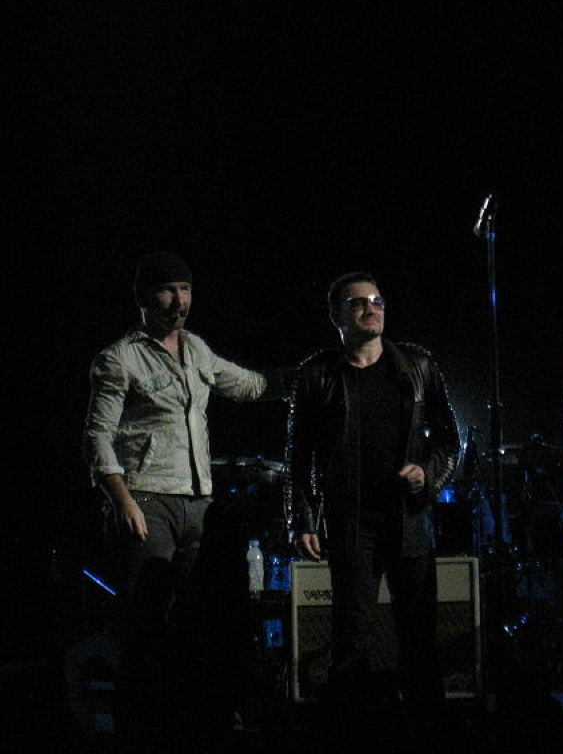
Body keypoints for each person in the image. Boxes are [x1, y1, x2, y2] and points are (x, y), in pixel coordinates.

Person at [82, 251, 293, 745]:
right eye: (167, 290)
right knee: (148, 618)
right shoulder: (119, 359)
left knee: (200, 618)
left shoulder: (196, 349)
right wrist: (123, 501)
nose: (178, 301)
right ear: (143, 297)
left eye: (185, 289)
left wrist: (307, 377)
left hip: (199, 501)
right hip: (147, 498)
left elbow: (250, 386)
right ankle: (139, 724)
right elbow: (97, 437)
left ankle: (192, 718)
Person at [288, 270, 459, 744]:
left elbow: (449, 439)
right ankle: (355, 733)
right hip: (351, 525)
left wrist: (427, 474)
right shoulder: (318, 374)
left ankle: (429, 733)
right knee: (352, 640)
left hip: (407, 521)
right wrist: (303, 518)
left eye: (378, 300)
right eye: (359, 303)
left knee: (419, 637)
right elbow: (298, 456)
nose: (371, 309)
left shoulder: (417, 365)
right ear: (336, 315)